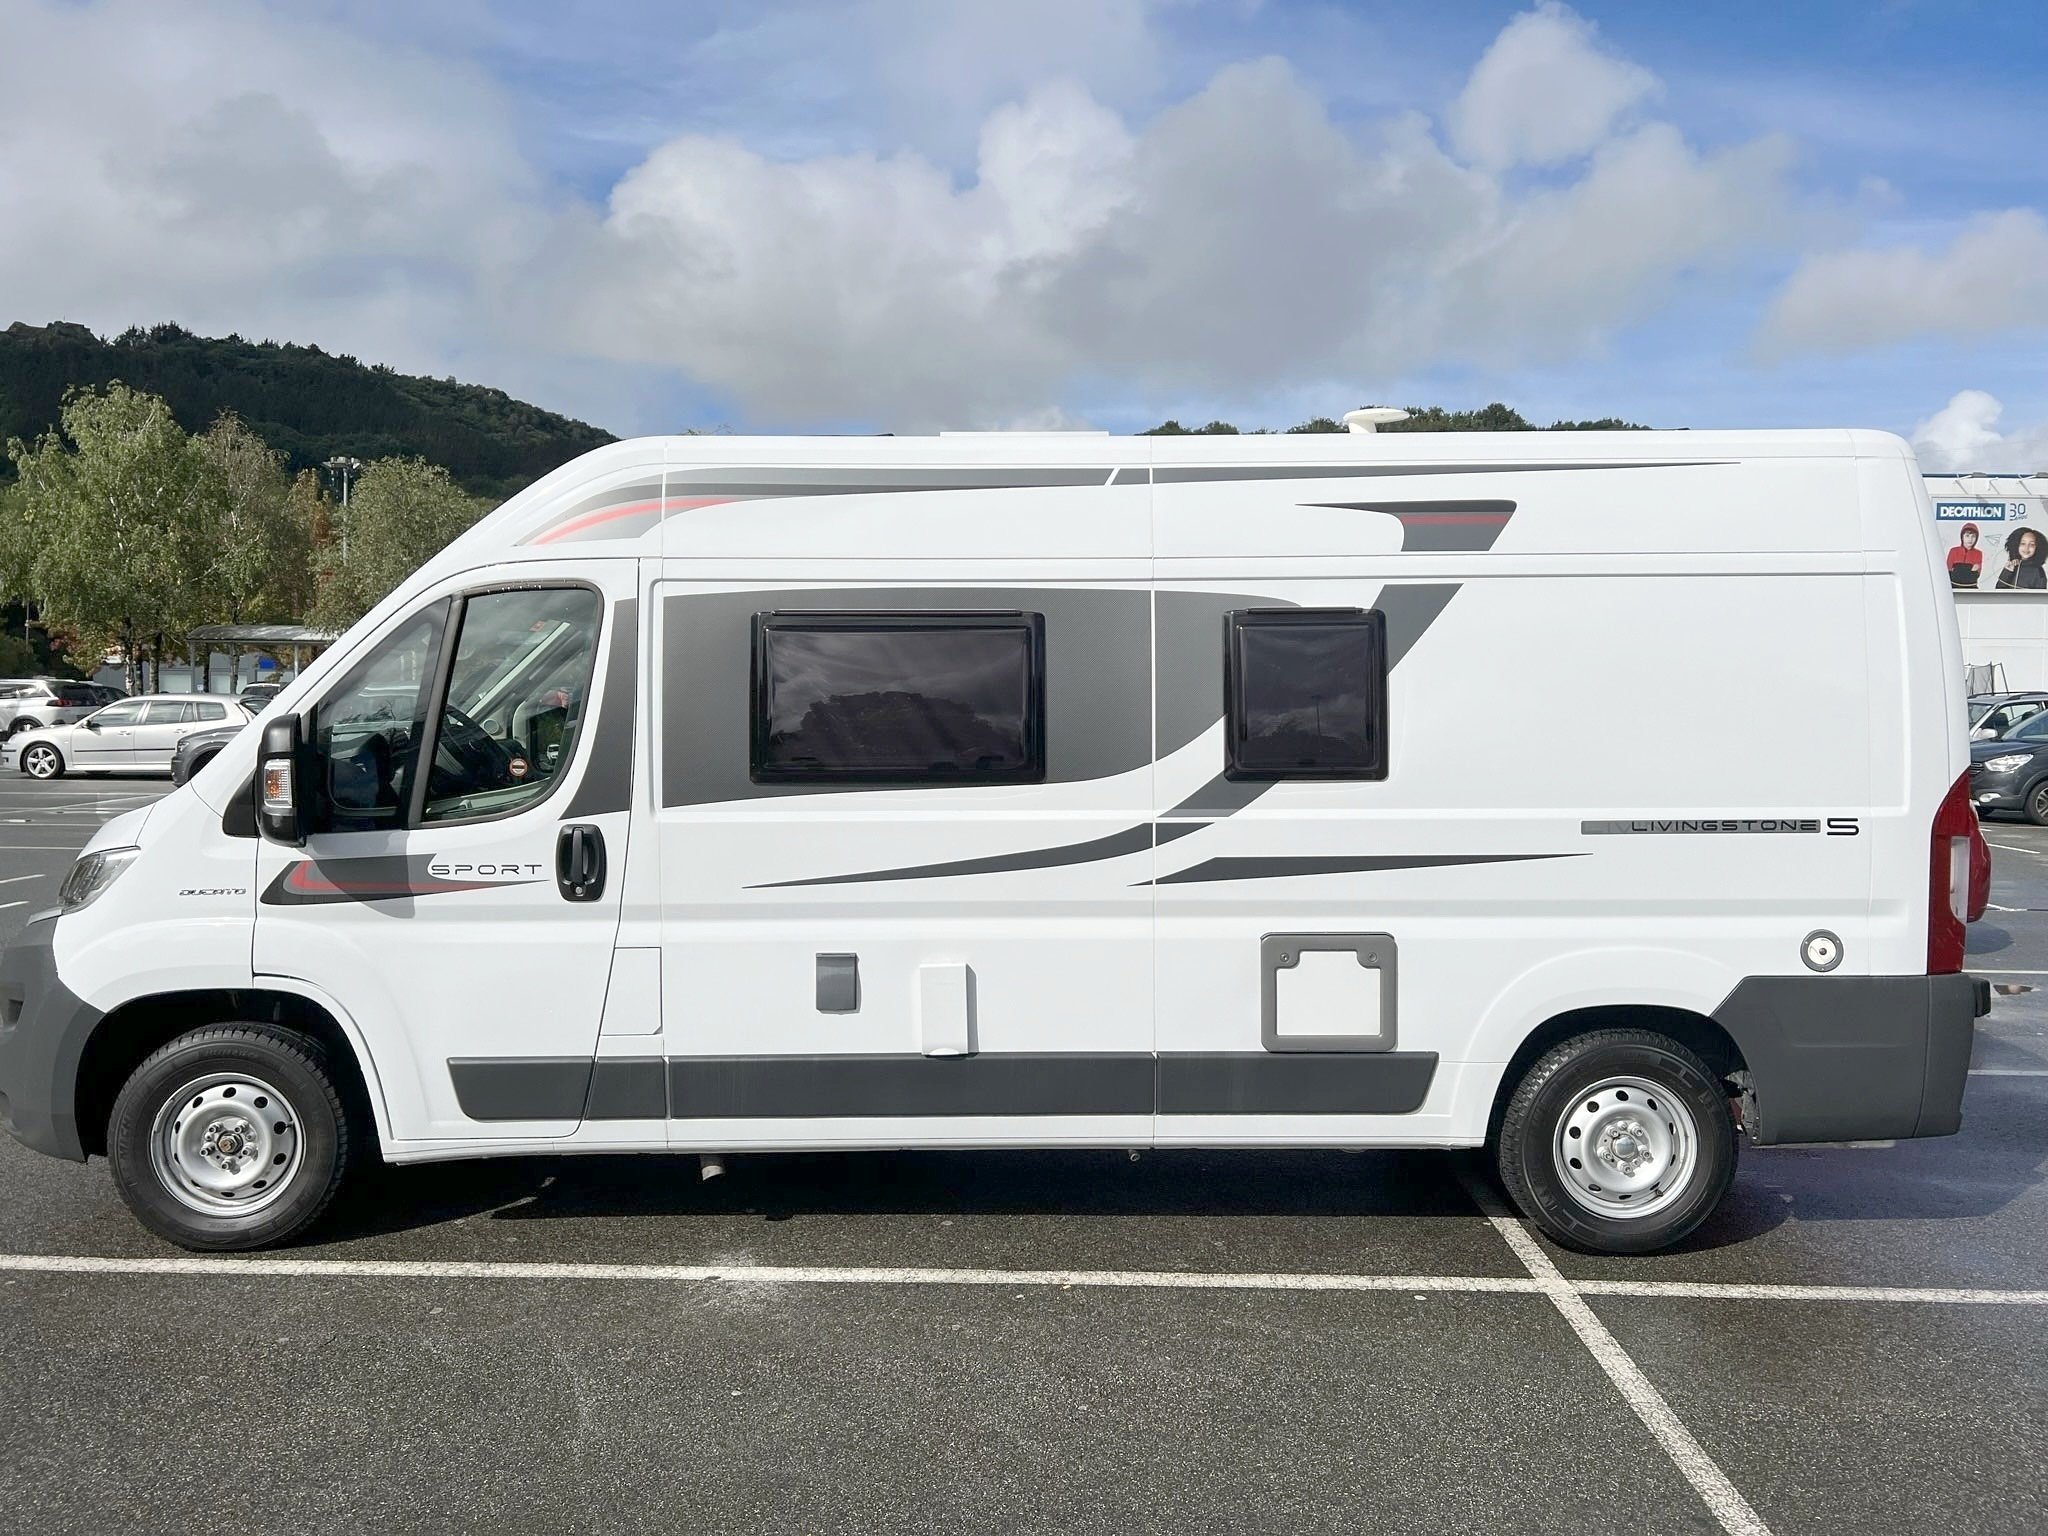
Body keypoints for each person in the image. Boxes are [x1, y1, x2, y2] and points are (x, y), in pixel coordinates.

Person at [1948, 523, 1984, 587]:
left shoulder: (1978, 553)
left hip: (1971, 588)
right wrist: (1969, 570)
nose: (1970, 539)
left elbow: (1975, 577)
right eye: (1967, 536)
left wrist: (1957, 570)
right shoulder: (1953, 551)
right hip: (1953, 587)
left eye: (1973, 536)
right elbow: (1948, 574)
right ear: (1962, 537)